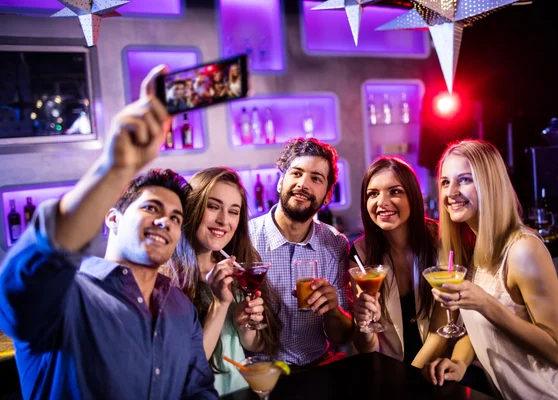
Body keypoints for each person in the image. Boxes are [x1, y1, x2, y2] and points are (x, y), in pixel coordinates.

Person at [0, 66, 218, 400]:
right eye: (151, 208)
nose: (166, 222)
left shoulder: (180, 307)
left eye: (176, 217)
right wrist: (114, 169)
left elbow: (198, 392)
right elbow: (19, 287)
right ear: (111, 219)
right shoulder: (68, 295)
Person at [422, 139, 558, 399]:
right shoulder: (476, 251)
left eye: (464, 179)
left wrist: (485, 303)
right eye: (445, 182)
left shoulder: (523, 250)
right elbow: (482, 326)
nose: (450, 192)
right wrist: (460, 362)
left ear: (490, 185)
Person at [165, 167, 281, 396]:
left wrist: (244, 324)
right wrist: (220, 303)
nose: (223, 220)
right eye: (213, 206)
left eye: (234, 211)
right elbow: (186, 367)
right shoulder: (166, 279)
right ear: (192, 207)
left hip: (238, 392)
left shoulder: (239, 268)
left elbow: (254, 346)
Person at [248, 137, 353, 370]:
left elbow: (341, 336)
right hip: (260, 373)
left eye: (315, 178)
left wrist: (333, 310)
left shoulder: (336, 244)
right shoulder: (247, 238)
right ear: (280, 182)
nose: (303, 184)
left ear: (327, 195)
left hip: (316, 369)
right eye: (296, 173)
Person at [350, 156, 448, 367]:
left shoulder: (441, 240)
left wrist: (412, 377)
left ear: (412, 196)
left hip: (441, 367)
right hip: (392, 373)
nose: (382, 202)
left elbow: (446, 324)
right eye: (373, 194)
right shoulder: (359, 255)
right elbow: (365, 347)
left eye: (394, 191)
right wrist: (363, 323)